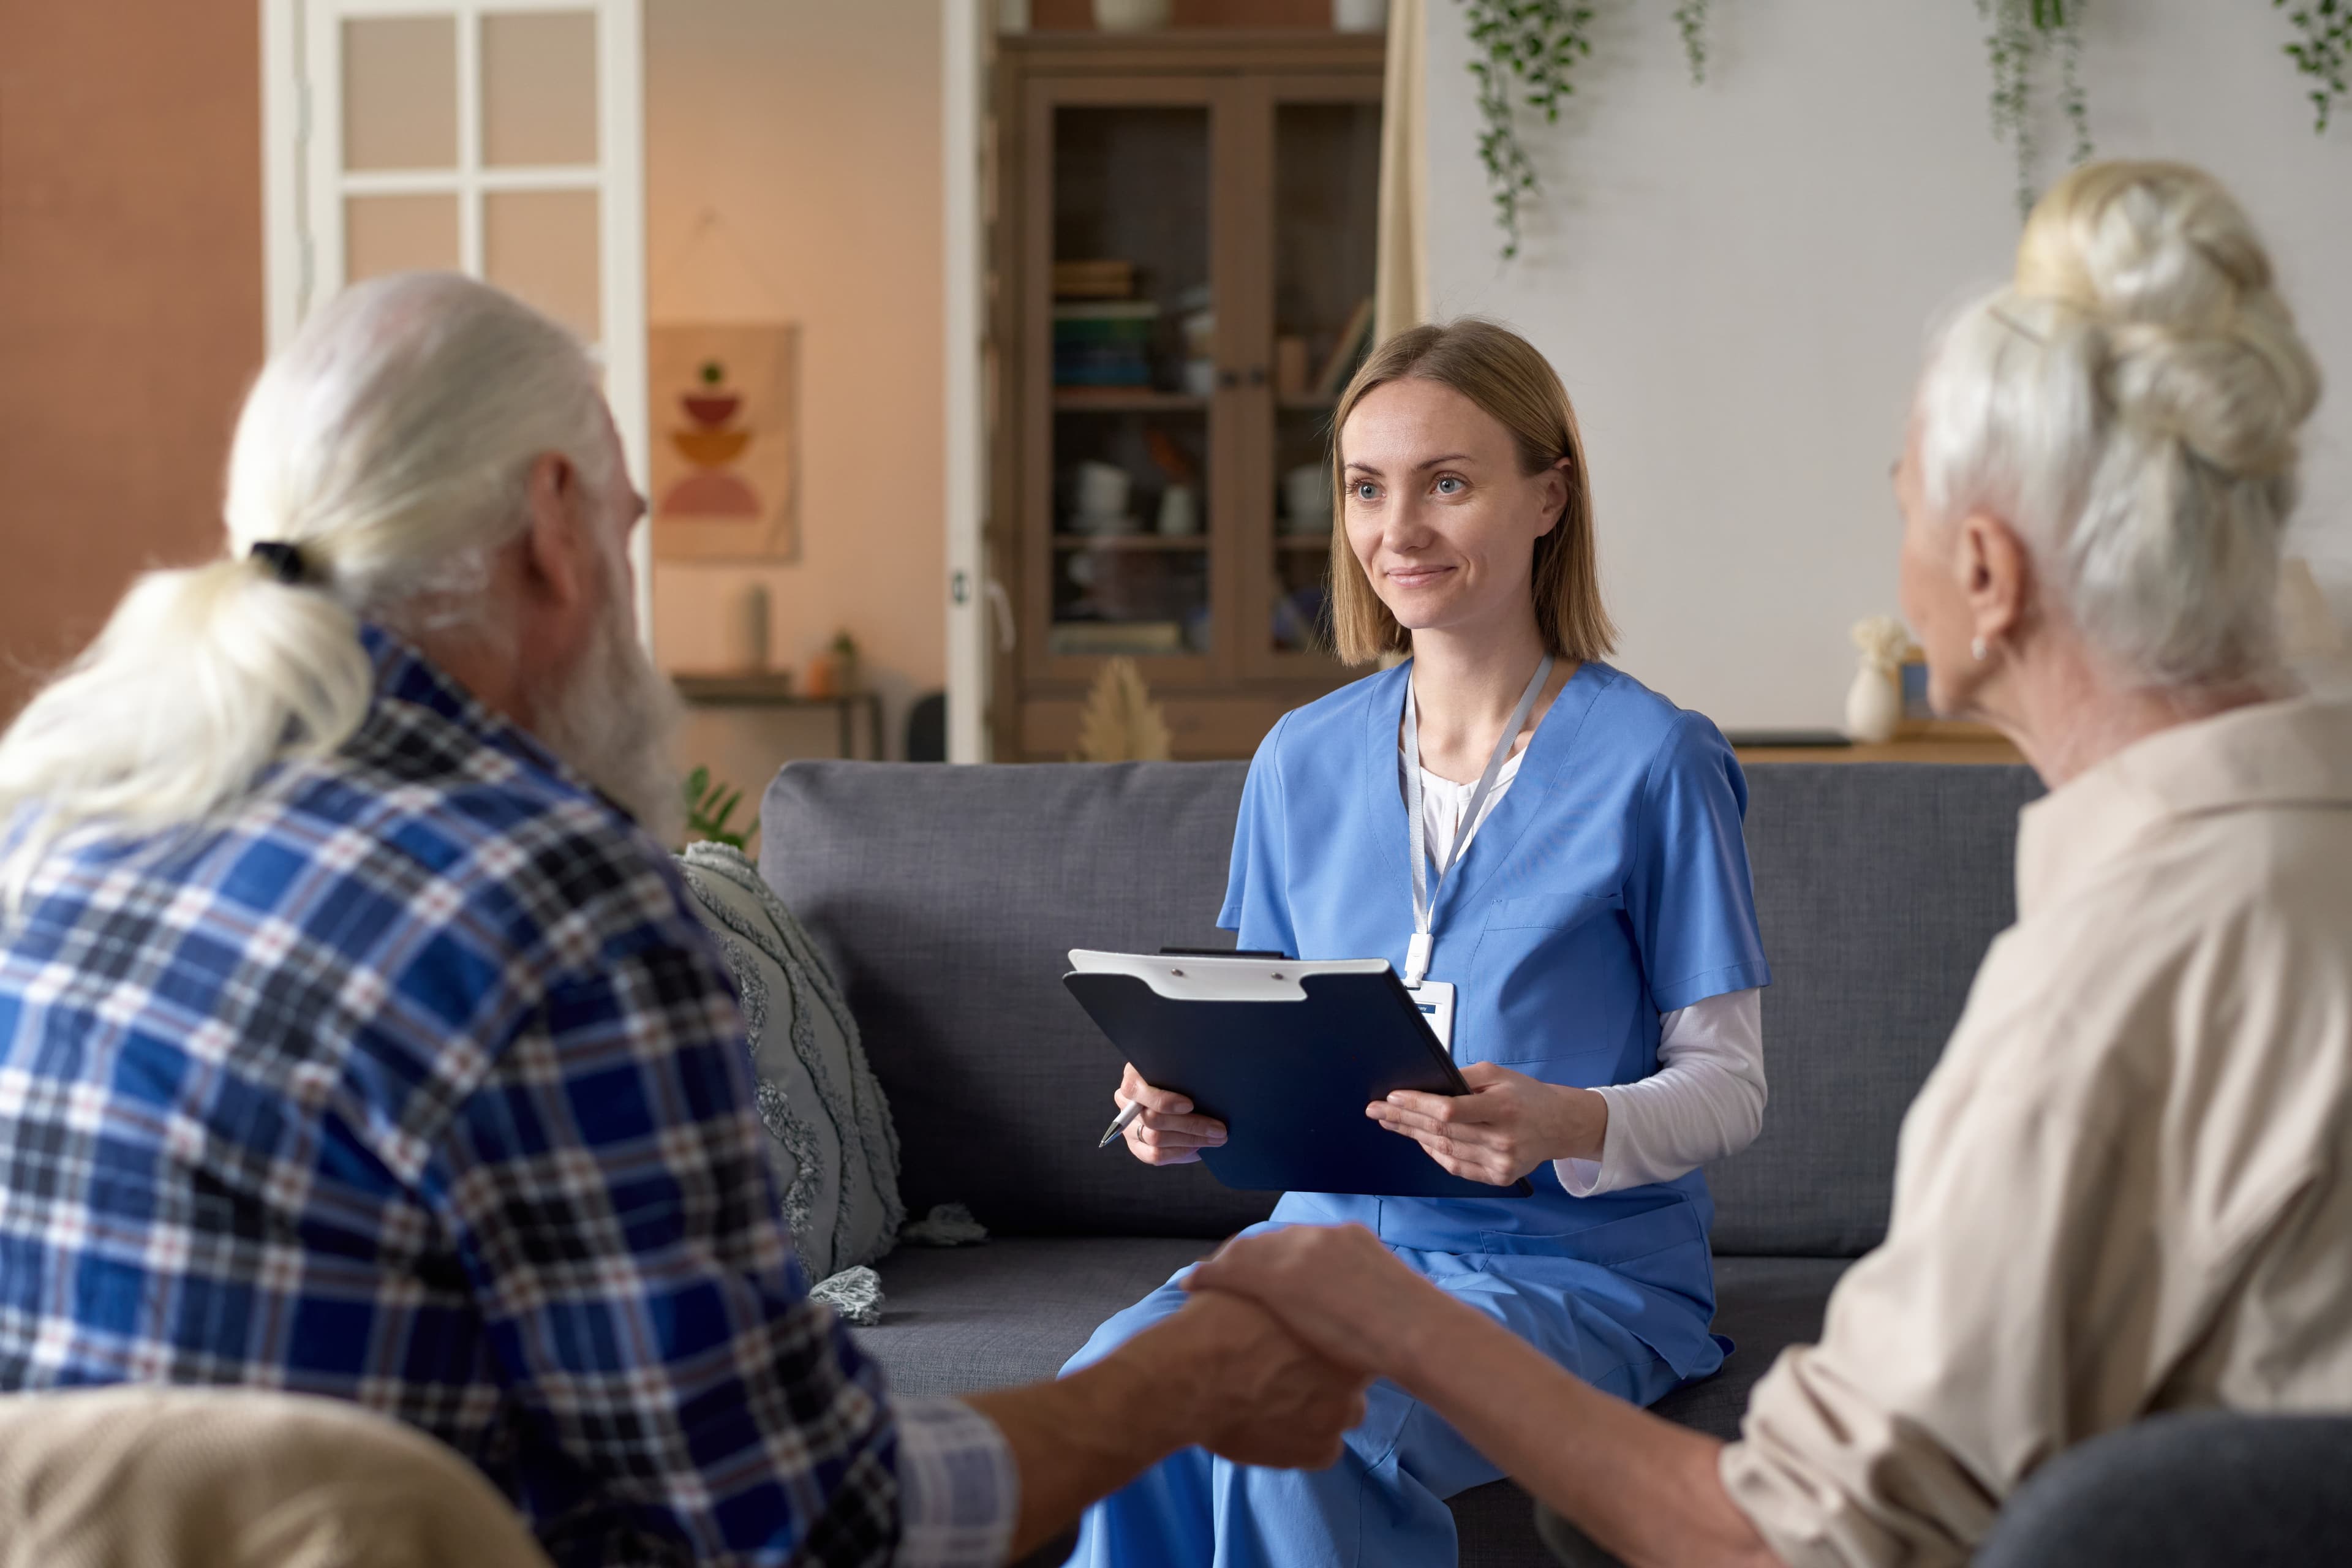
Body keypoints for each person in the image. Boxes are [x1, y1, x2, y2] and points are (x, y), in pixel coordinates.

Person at [0, 271, 1369, 1567]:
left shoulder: (57, 821)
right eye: (629, 523)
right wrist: (1174, 1381)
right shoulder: (549, 897)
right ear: (553, 522)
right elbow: (819, 1522)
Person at [1186, 159, 2352, 1567]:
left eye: (1901, 499)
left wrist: (1408, 1319)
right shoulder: (2274, 880)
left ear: (1983, 572)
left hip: (1563, 1279)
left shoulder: (2108, 981)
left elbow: (1800, 1530)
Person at [1066, 318, 1774, 1566]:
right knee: (1109, 1401)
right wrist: (1178, 1107)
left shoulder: (1656, 759)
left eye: (1449, 481)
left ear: (1548, 494)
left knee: (1299, 1422)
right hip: (1320, 1243)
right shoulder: (1300, 759)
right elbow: (1270, 1041)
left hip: (1575, 1267)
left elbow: (1732, 1086)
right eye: (1366, 487)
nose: (1400, 529)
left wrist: (1565, 1121)